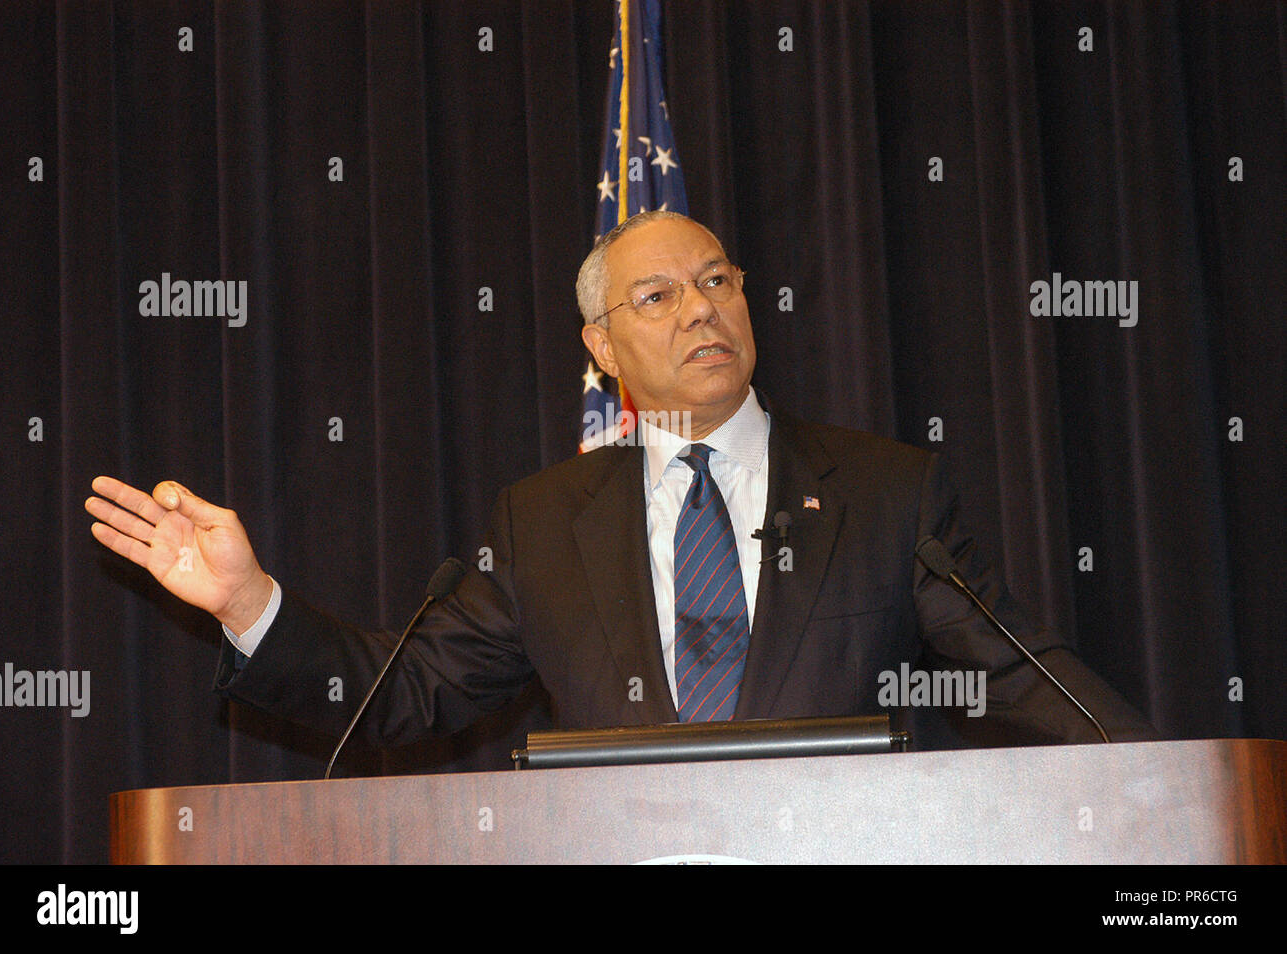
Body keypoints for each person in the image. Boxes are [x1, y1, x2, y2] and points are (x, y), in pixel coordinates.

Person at [86, 211, 1157, 749]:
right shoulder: (546, 522)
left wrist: (1167, 797)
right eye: (658, 296)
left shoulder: (885, 491)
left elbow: (1027, 673)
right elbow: (400, 694)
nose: (700, 308)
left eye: (716, 281)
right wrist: (246, 604)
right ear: (600, 347)